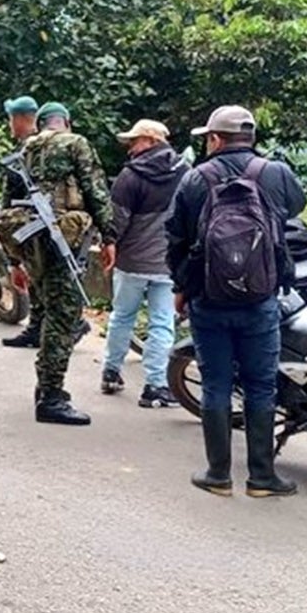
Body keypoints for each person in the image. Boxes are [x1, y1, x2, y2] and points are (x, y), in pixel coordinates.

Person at [166, 105, 306, 497]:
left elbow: (175, 237)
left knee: (216, 383)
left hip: (208, 301)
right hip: (261, 300)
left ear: (214, 139)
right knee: (262, 385)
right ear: (251, 138)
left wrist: (182, 287)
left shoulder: (195, 179)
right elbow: (294, 208)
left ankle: (218, 475)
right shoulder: (274, 173)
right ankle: (262, 477)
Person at [3, 101, 113, 425]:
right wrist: (110, 237)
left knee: (52, 312)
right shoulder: (75, 143)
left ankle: (45, 389)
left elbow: (7, 204)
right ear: (66, 121)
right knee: (63, 318)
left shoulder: (25, 149)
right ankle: (50, 396)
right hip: (64, 241)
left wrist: (14, 261)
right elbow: (97, 193)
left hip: (33, 244)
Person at [99, 119, 188, 408]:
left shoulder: (130, 176)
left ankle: (111, 372)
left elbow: (117, 219)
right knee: (162, 324)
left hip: (131, 260)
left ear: (150, 141)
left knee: (122, 316)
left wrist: (109, 244)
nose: (129, 149)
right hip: (166, 264)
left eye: (134, 142)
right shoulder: (186, 173)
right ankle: (155, 386)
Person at [1, 97, 92, 348]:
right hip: (35, 224)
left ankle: (70, 326)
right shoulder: (28, 149)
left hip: (62, 226)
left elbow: (89, 189)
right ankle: (36, 328)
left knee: (58, 284)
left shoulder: (44, 149)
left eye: (11, 119)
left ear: (22, 119)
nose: (10, 124)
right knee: (39, 281)